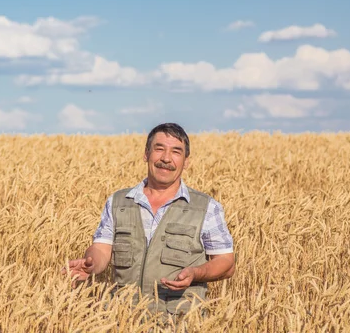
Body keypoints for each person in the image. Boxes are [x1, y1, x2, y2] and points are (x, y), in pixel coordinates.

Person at [64, 123, 235, 317]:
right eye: (159, 149)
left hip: (180, 323)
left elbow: (226, 263)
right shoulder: (118, 202)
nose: (166, 158)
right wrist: (91, 263)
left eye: (176, 152)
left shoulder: (206, 207)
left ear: (186, 161)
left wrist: (196, 273)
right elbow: (101, 249)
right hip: (123, 320)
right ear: (146, 154)